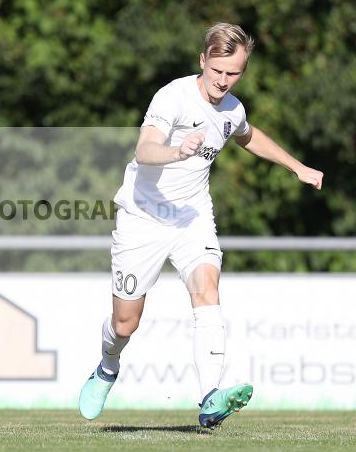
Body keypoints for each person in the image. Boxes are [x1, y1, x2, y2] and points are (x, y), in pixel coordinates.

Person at [79, 23, 323, 428]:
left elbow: (247, 135)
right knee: (125, 322)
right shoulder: (173, 97)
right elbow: (144, 148)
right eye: (217, 72)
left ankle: (210, 397)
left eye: (234, 74)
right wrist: (177, 151)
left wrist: (296, 167)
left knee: (207, 289)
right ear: (202, 61)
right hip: (143, 218)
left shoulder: (232, 109)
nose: (224, 82)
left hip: (192, 217)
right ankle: (107, 366)